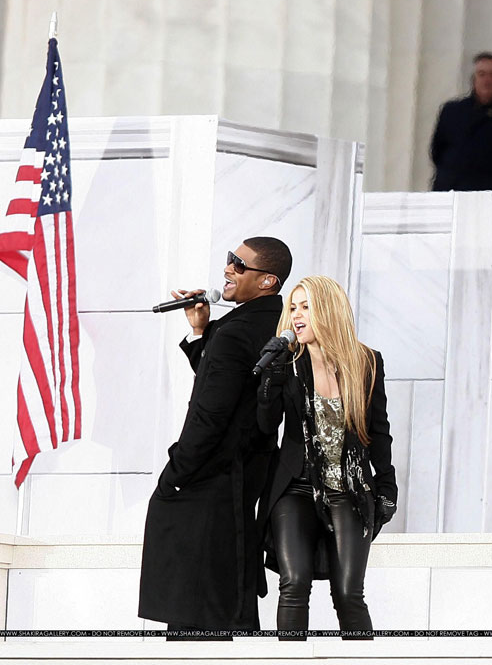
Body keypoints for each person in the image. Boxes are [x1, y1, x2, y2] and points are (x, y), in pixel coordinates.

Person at [139, 237, 293, 632]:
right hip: (246, 476)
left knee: (196, 614)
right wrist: (200, 331)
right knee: (231, 599)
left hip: (209, 481)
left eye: (239, 265)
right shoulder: (272, 326)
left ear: (267, 281)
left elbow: (211, 412)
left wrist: (175, 474)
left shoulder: (235, 332)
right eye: (229, 260)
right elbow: (231, 387)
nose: (227, 269)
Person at [257, 275, 396, 635]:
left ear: (328, 311)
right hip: (296, 486)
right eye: (293, 308)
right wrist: (269, 380)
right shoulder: (287, 363)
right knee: (294, 582)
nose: (296, 316)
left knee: (349, 593)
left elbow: (379, 432)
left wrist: (387, 487)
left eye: (306, 307)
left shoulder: (367, 362)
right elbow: (265, 423)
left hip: (349, 487)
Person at [430, 52, 492, 192]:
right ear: (473, 79)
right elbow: (437, 151)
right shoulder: (452, 111)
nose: (487, 80)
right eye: (482, 74)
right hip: (453, 189)